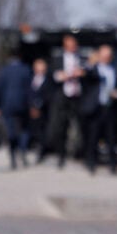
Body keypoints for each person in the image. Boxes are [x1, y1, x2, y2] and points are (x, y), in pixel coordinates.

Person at [82, 44, 117, 174]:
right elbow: (85, 77)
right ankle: (91, 163)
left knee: (111, 138)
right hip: (95, 107)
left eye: (108, 56)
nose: (106, 58)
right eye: (103, 55)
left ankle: (113, 165)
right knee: (93, 137)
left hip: (109, 107)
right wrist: (90, 63)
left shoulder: (115, 70)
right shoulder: (92, 69)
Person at [50, 34, 85, 168]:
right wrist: (64, 75)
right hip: (63, 97)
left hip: (78, 97)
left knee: (80, 126)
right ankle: (61, 156)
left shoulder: (81, 58)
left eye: (73, 44)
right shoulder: (57, 59)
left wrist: (81, 73)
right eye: (68, 45)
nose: (72, 47)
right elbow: (53, 76)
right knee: (61, 128)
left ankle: (81, 154)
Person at [0, 53, 33, 169]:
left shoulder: (4, 71)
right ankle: (22, 151)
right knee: (24, 129)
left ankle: (12, 156)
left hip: (7, 105)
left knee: (11, 130)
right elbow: (30, 89)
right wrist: (31, 105)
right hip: (22, 104)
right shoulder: (26, 70)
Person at [28, 58, 55, 163]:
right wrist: (31, 106)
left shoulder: (48, 80)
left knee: (42, 132)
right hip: (32, 110)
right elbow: (28, 93)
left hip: (43, 110)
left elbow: (49, 95)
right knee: (34, 131)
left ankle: (42, 151)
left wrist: (38, 106)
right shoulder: (30, 79)